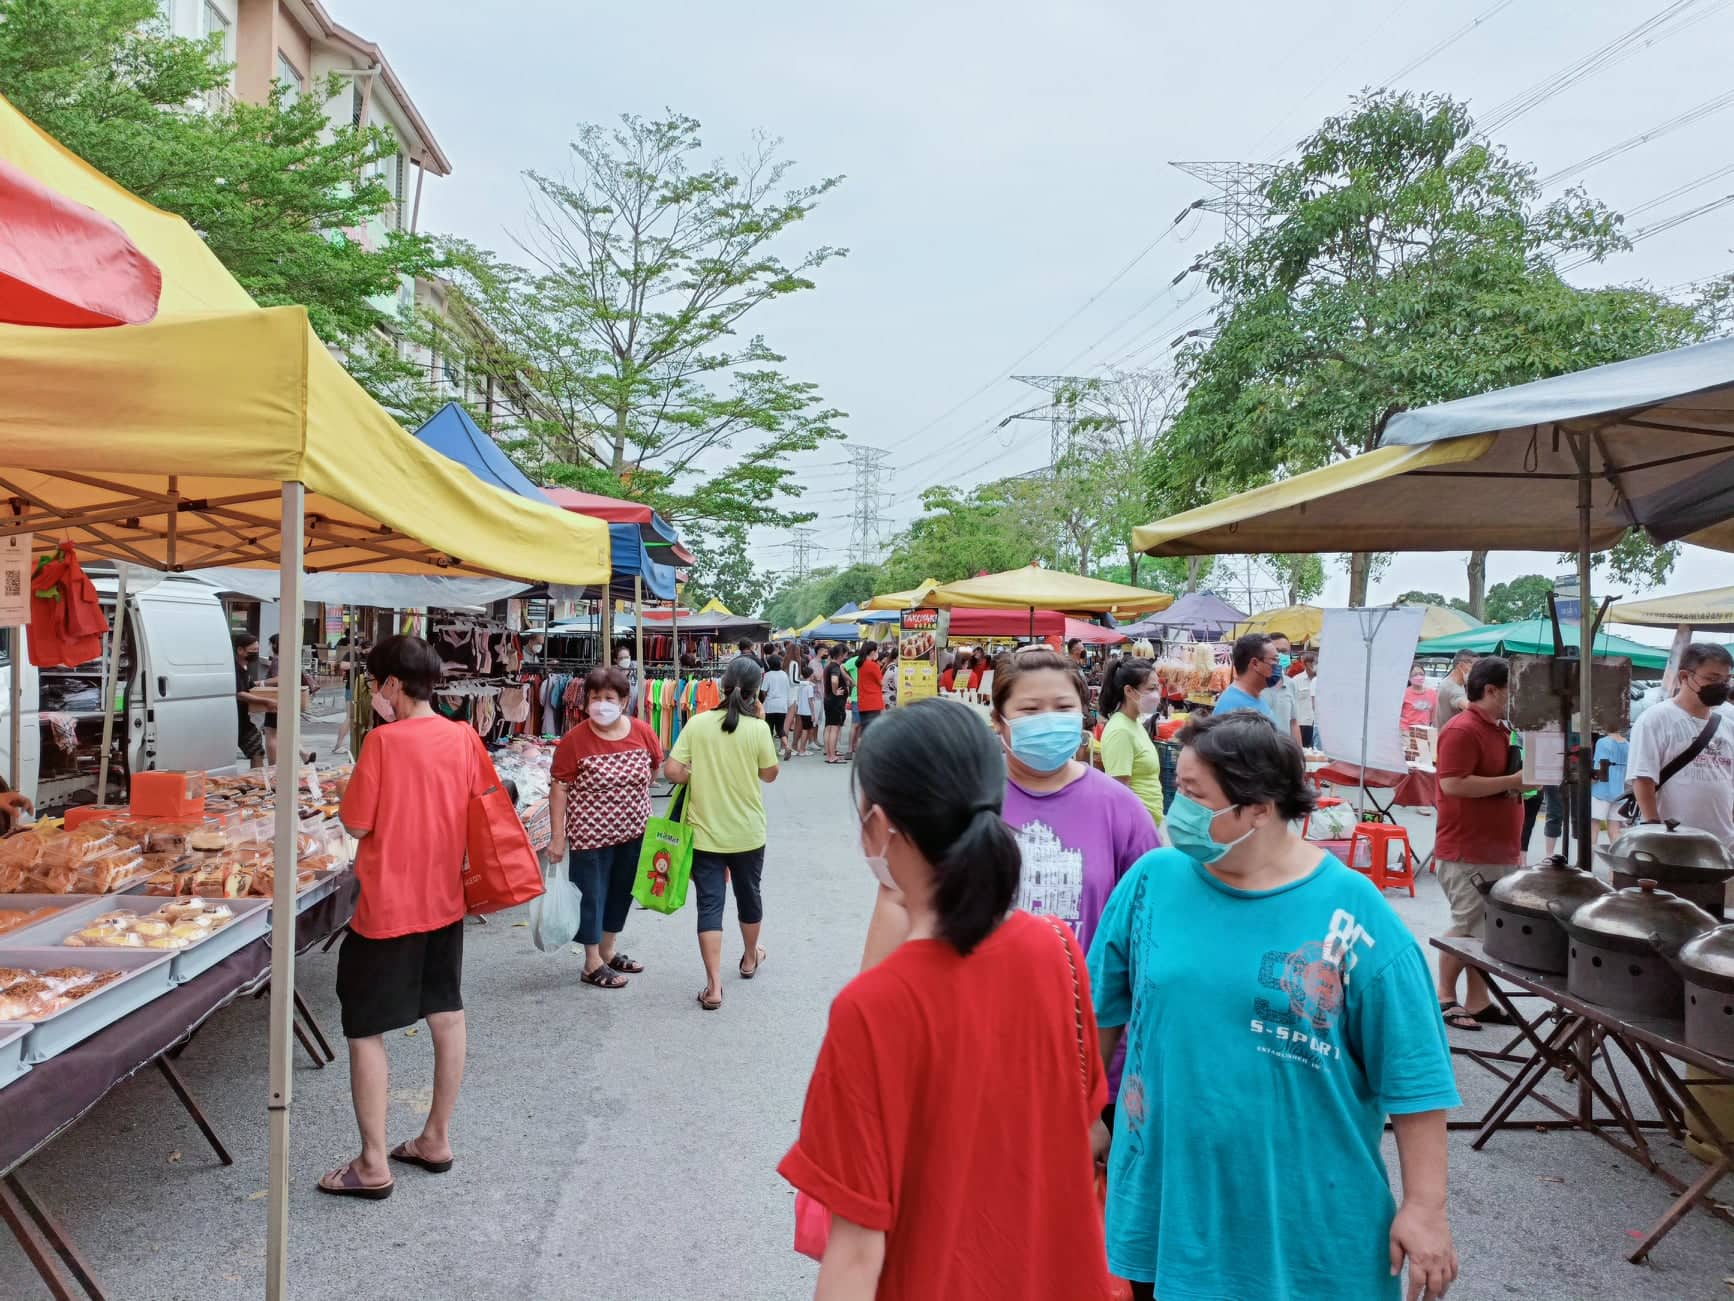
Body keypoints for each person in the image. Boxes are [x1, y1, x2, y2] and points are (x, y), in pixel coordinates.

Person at [1088, 711, 1458, 1301]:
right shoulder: (1152, 882)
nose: (1177, 809)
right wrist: (1083, 1113)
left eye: (1193, 793)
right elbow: (1098, 1013)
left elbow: (1415, 1074)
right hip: (1167, 1202)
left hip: (1306, 1221)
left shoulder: (1351, 913)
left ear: (1259, 808)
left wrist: (1425, 1207)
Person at [778, 698, 1114, 1300]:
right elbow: (1086, 1133)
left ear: (879, 827)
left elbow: (855, 1250)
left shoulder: (872, 1008)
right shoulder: (1058, 953)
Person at [323, 636, 488, 1199]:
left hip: (386, 907)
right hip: (444, 900)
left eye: (375, 683)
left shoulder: (383, 743)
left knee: (365, 1028)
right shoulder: (463, 737)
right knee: (446, 1013)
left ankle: (373, 1163)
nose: (374, 693)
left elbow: (356, 824)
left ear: (393, 684)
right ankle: (435, 1137)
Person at [994, 647, 1160, 951]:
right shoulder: (967, 801)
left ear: (1082, 713)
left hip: (1085, 995)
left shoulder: (1121, 808)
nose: (1048, 721)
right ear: (998, 719)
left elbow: (1149, 919)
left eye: (1063, 707)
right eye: (1030, 710)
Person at [664, 657, 779, 1011]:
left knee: (710, 905)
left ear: (722, 685)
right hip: (747, 833)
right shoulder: (758, 729)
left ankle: (713, 986)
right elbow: (770, 774)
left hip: (704, 834)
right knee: (750, 896)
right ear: (756, 691)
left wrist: (695, 775)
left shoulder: (698, 724)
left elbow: (671, 770)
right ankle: (748, 958)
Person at [548, 664, 663, 989]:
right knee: (591, 896)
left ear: (624, 700)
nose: (601, 703)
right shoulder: (575, 740)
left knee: (621, 893)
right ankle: (591, 962)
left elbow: (653, 770)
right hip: (590, 838)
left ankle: (609, 950)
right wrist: (558, 837)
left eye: (609, 697)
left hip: (634, 833)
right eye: (595, 697)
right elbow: (559, 786)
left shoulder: (642, 732)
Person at [1433, 656, 1525, 1032]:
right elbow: (1452, 784)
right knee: (1468, 925)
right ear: (1492, 690)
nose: (1516, 698)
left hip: (1495, 846)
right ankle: (1442, 997)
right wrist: (1513, 781)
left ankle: (1478, 1000)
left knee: (1486, 929)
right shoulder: (1462, 728)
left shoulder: (1500, 728)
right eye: (1512, 690)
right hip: (1467, 848)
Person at [1630, 643, 1734, 862]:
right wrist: (1654, 830)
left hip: (1722, 845)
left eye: (1726, 680)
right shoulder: (1655, 719)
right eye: (1712, 678)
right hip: (1672, 845)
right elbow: (1643, 778)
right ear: (1685, 676)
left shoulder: (1728, 724)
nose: (1721, 685)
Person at [1098, 658, 1165, 829]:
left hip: (1148, 824)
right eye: (1151, 689)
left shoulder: (1134, 723)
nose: (1156, 694)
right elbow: (1120, 792)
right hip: (1137, 827)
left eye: (1157, 687)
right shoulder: (1120, 731)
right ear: (1129, 690)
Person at [232, 632, 273, 770]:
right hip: (233, 720)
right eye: (252, 650)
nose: (255, 653)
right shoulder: (234, 669)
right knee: (256, 751)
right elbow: (240, 693)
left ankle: (257, 782)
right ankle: (256, 782)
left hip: (243, 720)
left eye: (257, 650)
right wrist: (266, 701)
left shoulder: (245, 668)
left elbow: (250, 688)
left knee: (257, 752)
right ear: (240, 650)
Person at [1213, 632, 1276, 719]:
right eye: (1274, 659)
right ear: (1255, 663)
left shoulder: (1254, 696)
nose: (1278, 665)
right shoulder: (1233, 709)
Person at [1263, 631, 1303, 748]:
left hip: (1284, 754)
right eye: (1277, 651)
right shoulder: (1256, 684)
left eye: (1284, 651)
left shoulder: (1291, 684)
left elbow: (1293, 723)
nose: (1280, 655)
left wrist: (1299, 755)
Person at [1590, 729, 1629, 847]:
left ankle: (1588, 863)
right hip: (1619, 792)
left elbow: (1599, 770)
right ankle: (1615, 865)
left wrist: (1591, 779)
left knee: (1593, 830)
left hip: (1601, 791)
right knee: (1614, 833)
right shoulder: (1628, 745)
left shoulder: (1602, 743)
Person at [1433, 649, 1476, 729]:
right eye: (1473, 667)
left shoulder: (1452, 682)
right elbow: (1469, 706)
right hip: (1451, 737)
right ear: (1460, 666)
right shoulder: (1452, 688)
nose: (1476, 671)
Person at [761, 652, 793, 761]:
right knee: (780, 728)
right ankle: (787, 746)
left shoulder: (768, 675)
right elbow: (788, 689)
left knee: (769, 729)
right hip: (782, 705)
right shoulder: (784, 674)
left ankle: (770, 752)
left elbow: (764, 691)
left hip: (770, 705)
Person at [822, 646, 850, 764]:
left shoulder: (829, 666)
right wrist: (835, 691)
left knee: (829, 727)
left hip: (829, 700)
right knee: (834, 728)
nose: (846, 656)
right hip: (835, 701)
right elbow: (834, 680)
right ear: (840, 655)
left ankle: (830, 754)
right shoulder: (835, 667)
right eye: (845, 654)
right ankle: (832, 756)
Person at [854, 639, 886, 734]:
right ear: (872, 652)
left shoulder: (861, 664)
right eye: (877, 651)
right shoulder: (873, 665)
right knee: (872, 732)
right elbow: (882, 683)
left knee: (864, 731)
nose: (878, 653)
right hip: (873, 703)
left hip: (863, 702)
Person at [1401, 664, 1438, 732]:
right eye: (1415, 674)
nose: (1419, 676)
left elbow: (1434, 717)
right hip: (1407, 732)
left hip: (1424, 732)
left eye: (1421, 674)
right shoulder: (1403, 693)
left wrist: (1437, 732)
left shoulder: (1432, 694)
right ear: (1409, 677)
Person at [1293, 650, 1318, 748]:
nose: (1317, 665)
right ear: (1308, 664)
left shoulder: (1321, 680)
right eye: (1315, 663)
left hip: (1317, 724)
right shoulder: (1296, 680)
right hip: (1303, 724)